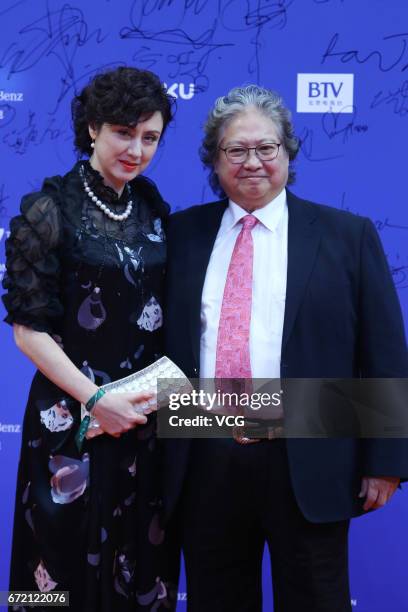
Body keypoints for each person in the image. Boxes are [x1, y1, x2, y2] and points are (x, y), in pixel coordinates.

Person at [162, 85, 408, 611]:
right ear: (215, 159)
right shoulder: (179, 235)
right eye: (236, 150)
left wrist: (386, 459)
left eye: (266, 148)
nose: (252, 162)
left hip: (309, 457)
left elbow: (383, 351)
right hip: (204, 457)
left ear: (287, 153)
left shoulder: (346, 235)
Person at [2, 66, 176, 610]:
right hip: (69, 418)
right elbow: (28, 331)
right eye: (125, 132)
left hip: (143, 419)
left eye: (150, 137)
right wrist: (97, 399)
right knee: (55, 560)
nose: (137, 150)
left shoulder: (151, 205)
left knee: (142, 562)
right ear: (93, 129)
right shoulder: (48, 208)